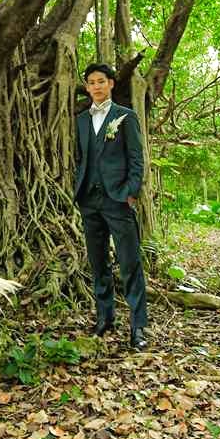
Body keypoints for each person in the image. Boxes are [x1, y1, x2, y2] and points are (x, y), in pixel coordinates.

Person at [73, 63, 149, 350]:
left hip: (118, 200)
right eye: (91, 82)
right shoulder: (81, 120)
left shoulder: (125, 117)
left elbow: (136, 158)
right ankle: (105, 318)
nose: (96, 86)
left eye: (101, 81)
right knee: (98, 263)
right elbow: (82, 157)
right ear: (87, 86)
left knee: (130, 264)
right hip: (89, 202)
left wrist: (130, 193)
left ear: (111, 84)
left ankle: (138, 327)